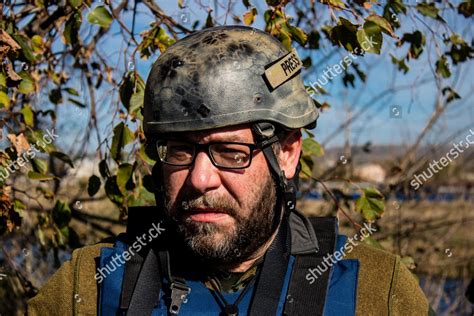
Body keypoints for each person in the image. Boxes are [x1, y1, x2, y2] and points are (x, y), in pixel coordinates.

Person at [28, 25, 430, 315]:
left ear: (286, 155)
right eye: (181, 151)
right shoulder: (90, 286)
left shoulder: (376, 293)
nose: (201, 179)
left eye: (231, 152)